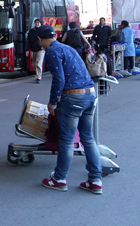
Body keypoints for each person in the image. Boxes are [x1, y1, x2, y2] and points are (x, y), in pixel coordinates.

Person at [36, 25, 103, 195]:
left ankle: (59, 179)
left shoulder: (52, 52)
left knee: (66, 140)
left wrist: (53, 101)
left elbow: (59, 78)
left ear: (39, 39)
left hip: (73, 97)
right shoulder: (68, 49)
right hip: (90, 94)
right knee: (88, 138)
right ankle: (95, 180)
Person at [26, 18, 44, 83]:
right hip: (33, 49)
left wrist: (44, 46)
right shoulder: (31, 31)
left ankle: (38, 77)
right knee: (34, 64)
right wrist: (27, 50)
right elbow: (28, 41)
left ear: (40, 24)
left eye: (38, 22)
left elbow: (46, 39)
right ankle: (37, 74)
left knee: (38, 63)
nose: (37, 24)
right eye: (36, 22)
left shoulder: (43, 31)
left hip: (41, 49)